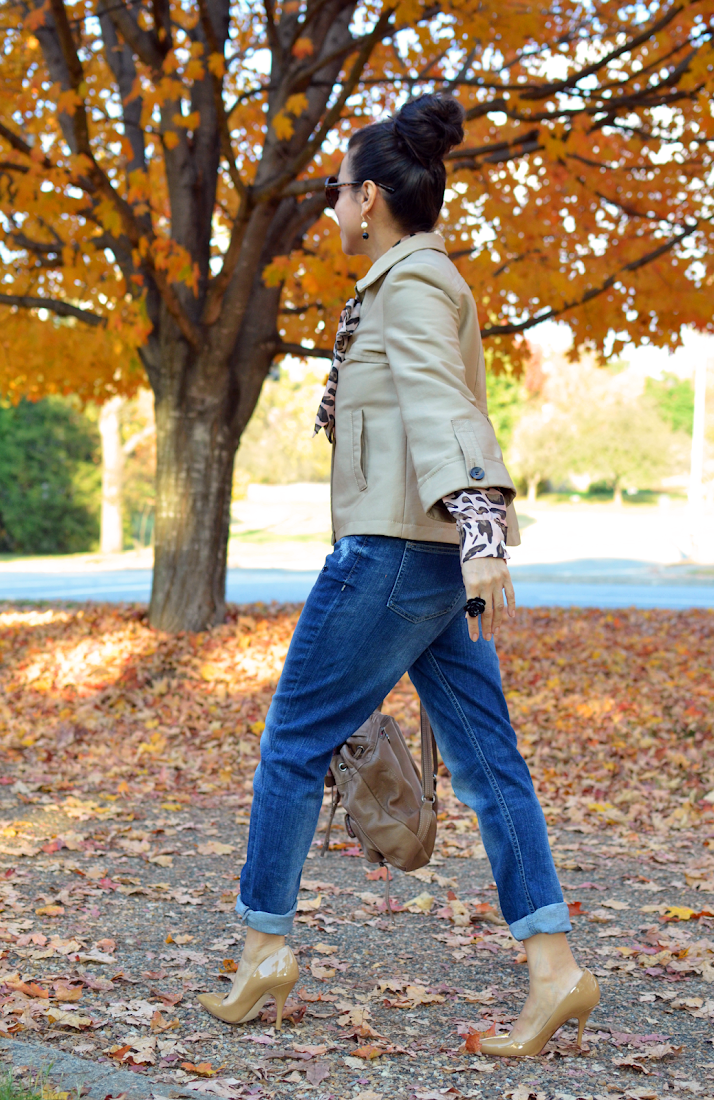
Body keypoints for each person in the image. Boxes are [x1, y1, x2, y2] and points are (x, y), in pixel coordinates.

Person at [198, 94, 599, 1057]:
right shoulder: (408, 279)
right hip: (426, 564)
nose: (332, 204)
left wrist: (482, 526)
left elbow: (438, 401)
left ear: (369, 196)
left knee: (293, 741)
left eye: (338, 190)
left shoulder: (411, 283)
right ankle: (555, 970)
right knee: (486, 759)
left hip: (393, 555)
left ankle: (263, 944)